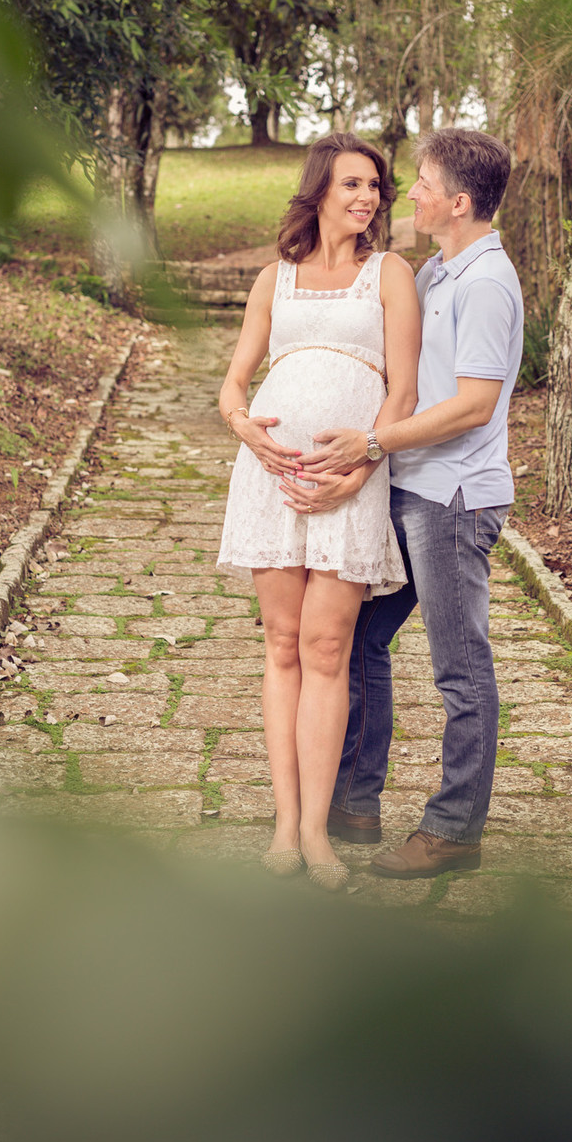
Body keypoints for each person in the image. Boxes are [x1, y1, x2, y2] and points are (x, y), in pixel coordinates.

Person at [290, 127, 523, 878]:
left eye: (421, 183)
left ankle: (455, 828)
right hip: (409, 487)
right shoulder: (436, 272)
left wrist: (370, 444)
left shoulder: (486, 283)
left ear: (457, 202)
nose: (408, 194)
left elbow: (473, 405)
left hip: (451, 501)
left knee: (461, 668)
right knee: (358, 639)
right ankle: (353, 804)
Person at [216, 134, 421, 889]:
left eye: (374, 186)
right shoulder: (277, 278)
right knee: (280, 645)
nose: (366, 197)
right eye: (351, 185)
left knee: (327, 649)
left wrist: (362, 467)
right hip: (271, 476)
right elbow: (233, 384)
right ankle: (281, 824)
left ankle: (315, 832)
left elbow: (401, 391)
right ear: (320, 192)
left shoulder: (390, 274)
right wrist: (248, 433)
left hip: (349, 481)